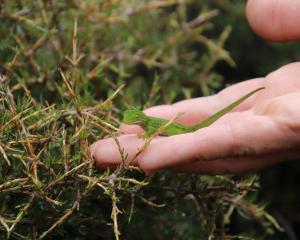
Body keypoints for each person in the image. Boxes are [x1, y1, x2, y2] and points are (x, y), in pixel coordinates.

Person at [91, 0, 300, 175]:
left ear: (138, 118)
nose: (131, 121)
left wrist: (147, 136)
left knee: (188, 137)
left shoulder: (149, 125)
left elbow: (158, 131)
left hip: (180, 131)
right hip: (178, 129)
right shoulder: (146, 123)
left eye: (133, 119)